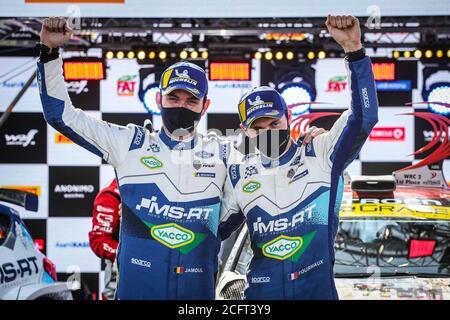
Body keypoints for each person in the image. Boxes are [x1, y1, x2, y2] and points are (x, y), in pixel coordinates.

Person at [37, 16, 325, 299]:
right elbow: (62, 116)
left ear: (204, 106)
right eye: (174, 98)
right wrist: (49, 53)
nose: (181, 107)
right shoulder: (130, 144)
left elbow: (272, 177)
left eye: (191, 101)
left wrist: (304, 151)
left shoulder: (224, 155)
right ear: (160, 99)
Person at [220, 15, 379, 299]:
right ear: (245, 130)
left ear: (288, 117)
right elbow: (206, 231)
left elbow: (364, 117)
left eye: (273, 123)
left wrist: (354, 52)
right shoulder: (239, 175)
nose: (267, 132)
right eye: (258, 128)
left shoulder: (321, 152)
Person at [88, 179, 121, 300]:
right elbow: (99, 241)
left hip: (158, 268)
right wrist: (132, 255)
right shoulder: (112, 194)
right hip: (121, 270)